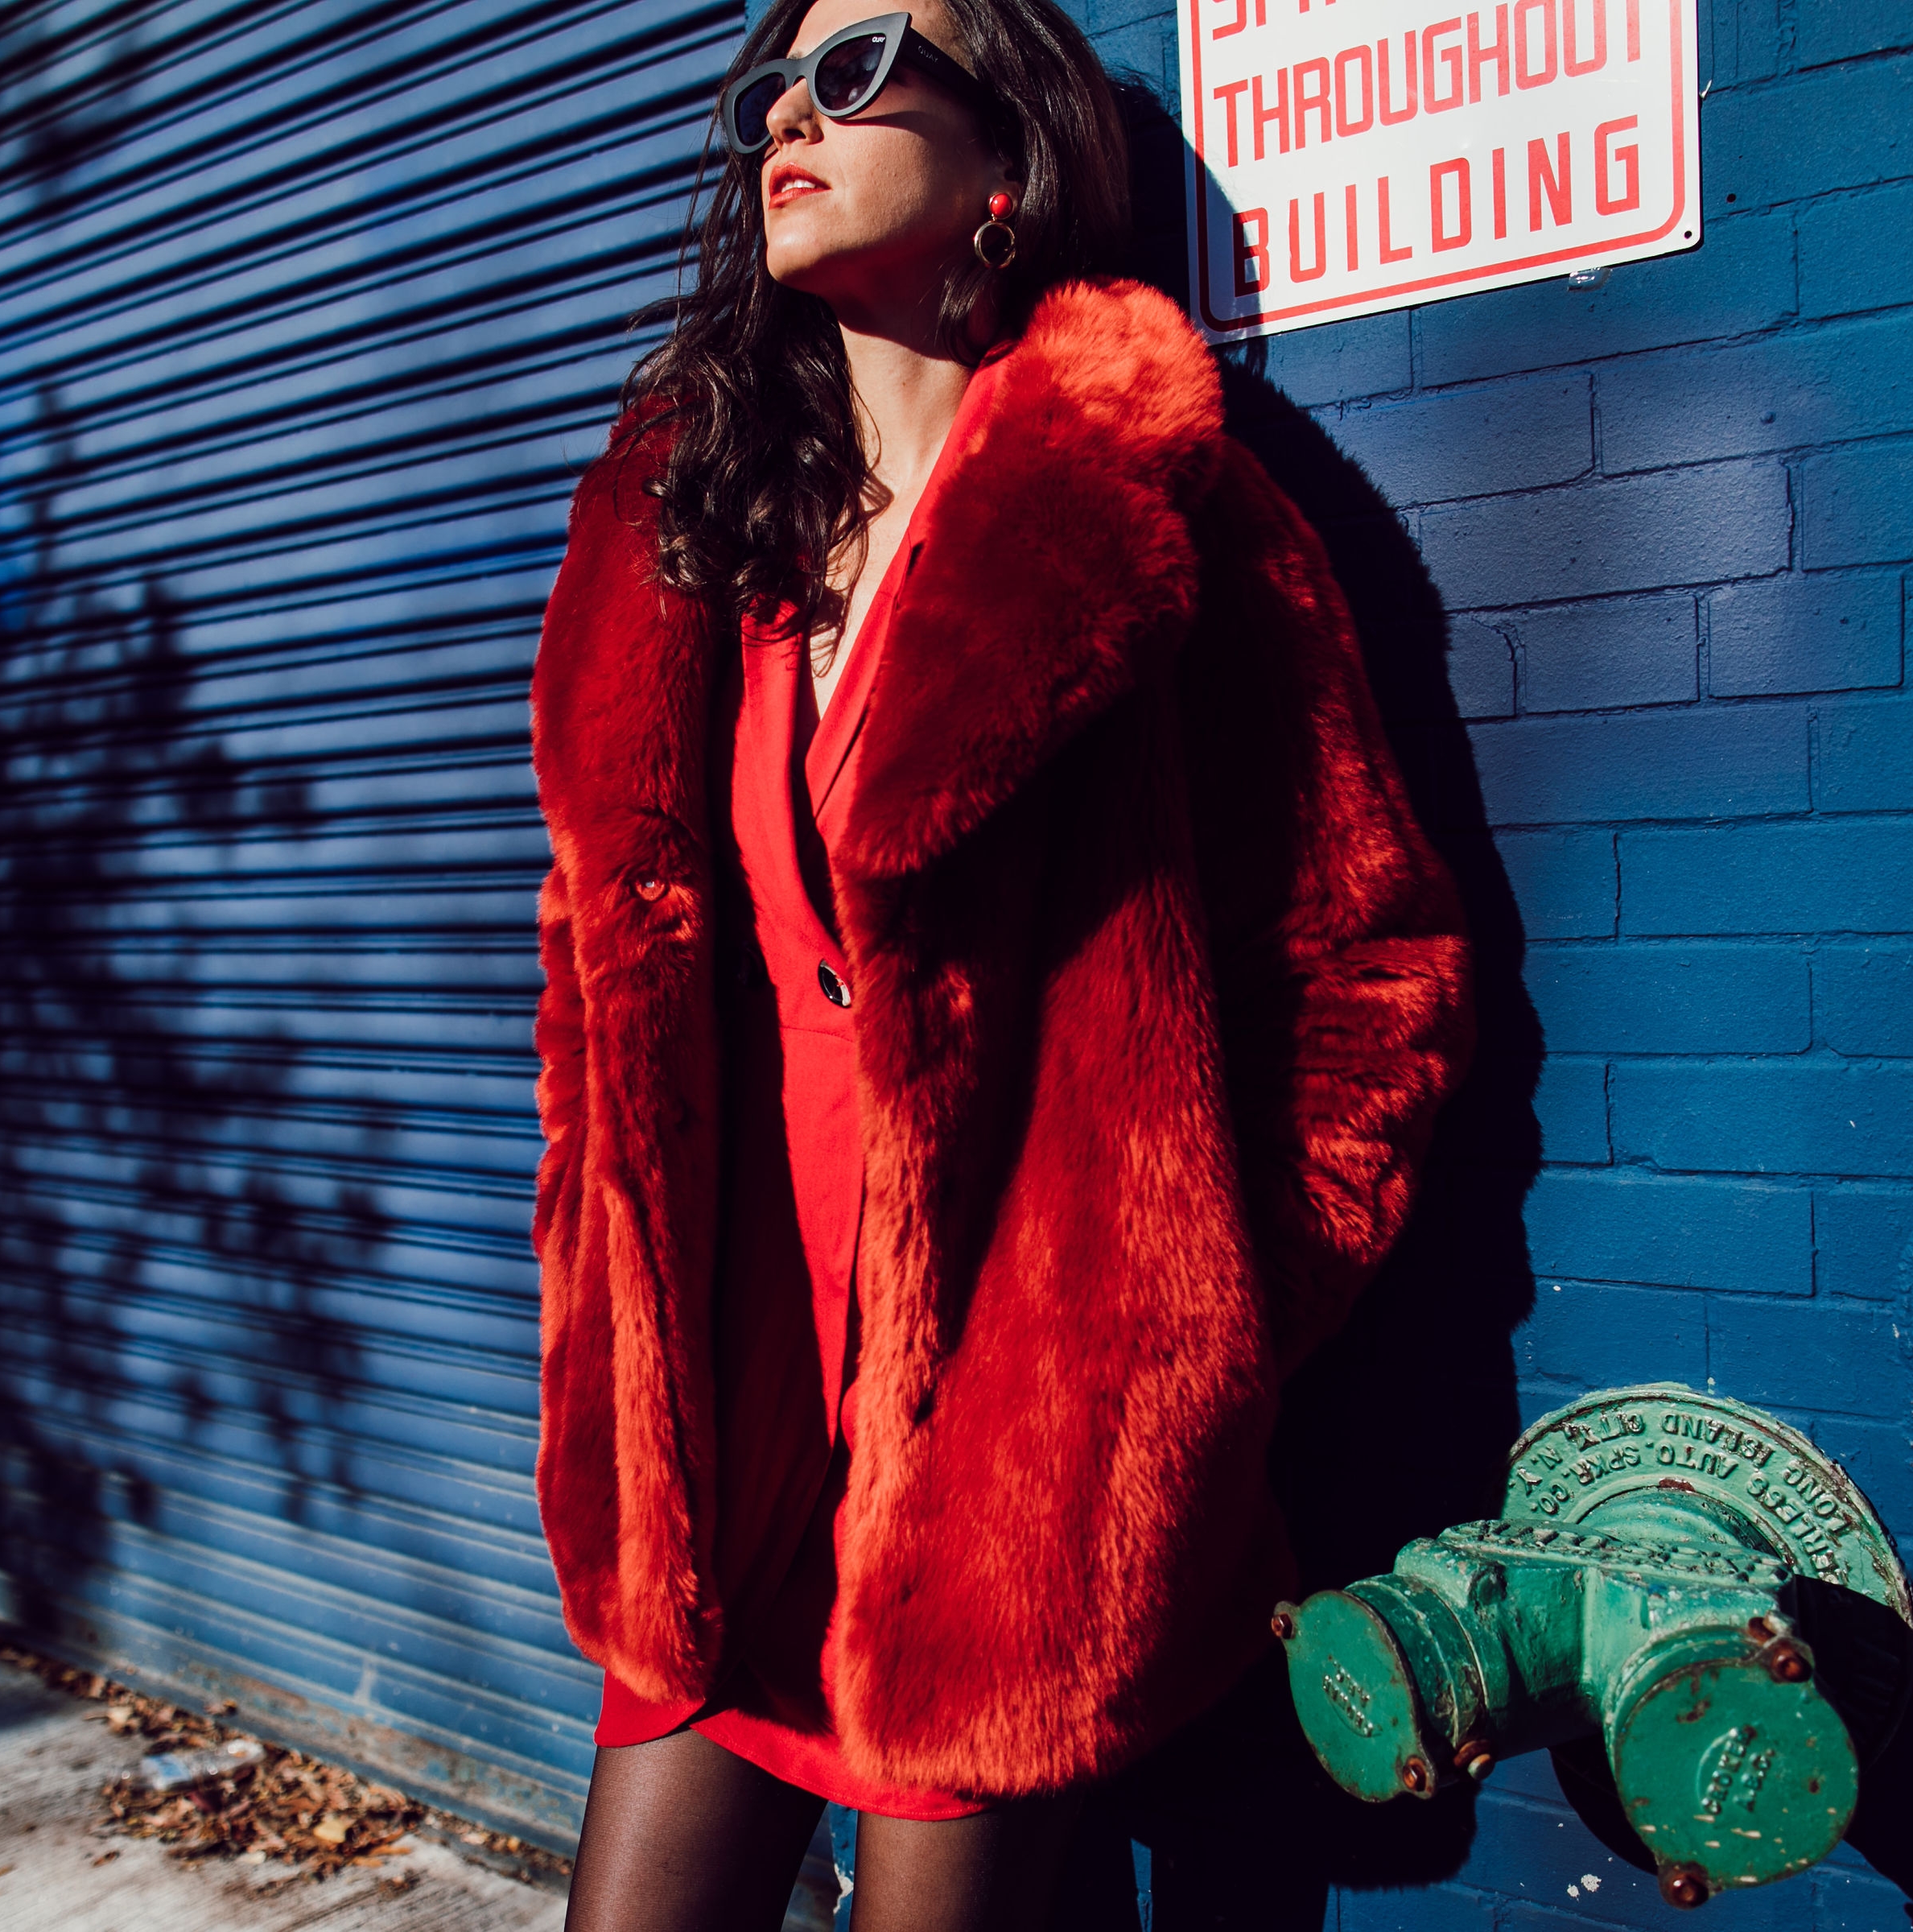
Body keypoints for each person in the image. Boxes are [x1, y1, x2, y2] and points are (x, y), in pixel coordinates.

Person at [527, 1, 1474, 1924]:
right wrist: (588, 1255)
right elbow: (590, 964)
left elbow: (1368, 963)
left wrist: (1165, 1341)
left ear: (1005, 162)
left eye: (856, 69)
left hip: (1009, 1461)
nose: (787, 118)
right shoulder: (686, 515)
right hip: (724, 1415)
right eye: (771, 86)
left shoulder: (1157, 505)